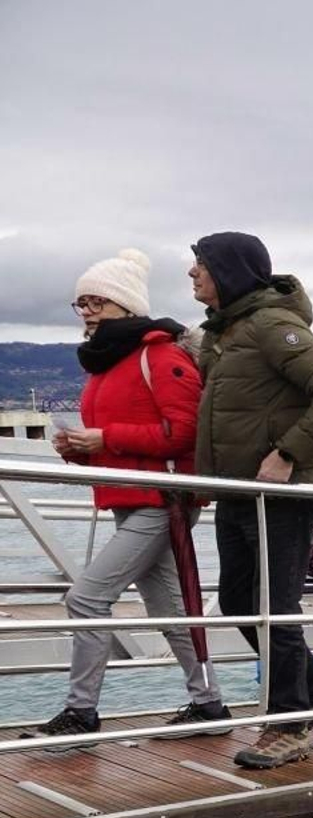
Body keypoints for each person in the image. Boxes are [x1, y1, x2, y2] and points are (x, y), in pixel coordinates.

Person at [21, 250, 226, 744]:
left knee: (87, 597)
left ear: (126, 305)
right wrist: (80, 451)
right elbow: (120, 439)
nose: (88, 310)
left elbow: (185, 432)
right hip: (132, 499)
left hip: (161, 501)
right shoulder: (107, 365)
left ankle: (81, 713)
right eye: (81, 302)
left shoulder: (162, 356)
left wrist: (103, 438)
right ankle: (209, 703)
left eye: (98, 301)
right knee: (170, 610)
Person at [189, 232, 313, 769]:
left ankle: (289, 725)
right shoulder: (227, 333)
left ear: (229, 272)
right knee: (239, 601)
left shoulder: (271, 326)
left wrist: (288, 453)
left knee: (274, 608)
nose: (193, 275)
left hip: (280, 494)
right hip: (240, 492)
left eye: (201, 266)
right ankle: (312, 688)